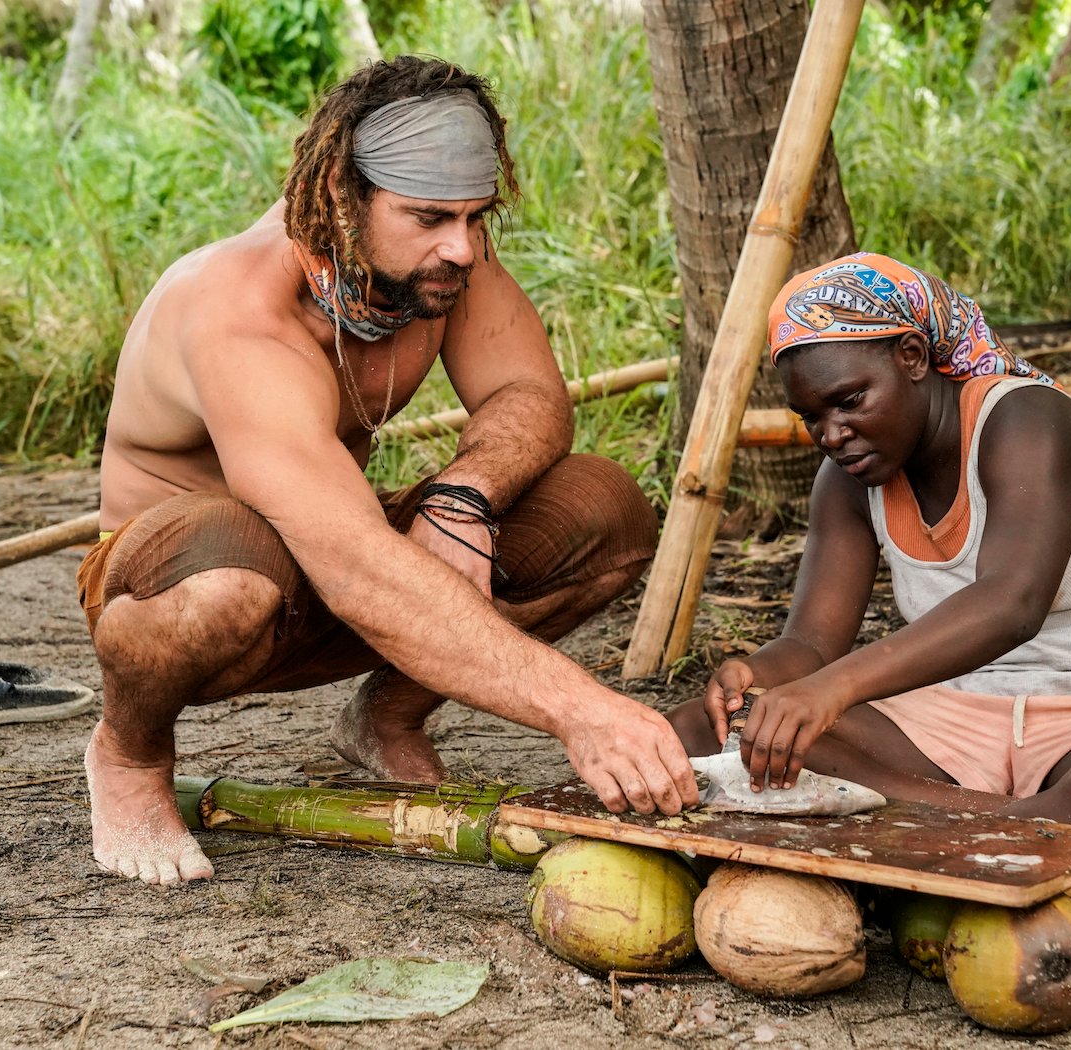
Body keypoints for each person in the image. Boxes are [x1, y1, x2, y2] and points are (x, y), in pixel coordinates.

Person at [77, 56, 697, 887]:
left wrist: (461, 496)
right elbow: (359, 564)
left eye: (478, 218)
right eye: (431, 216)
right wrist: (582, 710)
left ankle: (385, 714)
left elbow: (531, 394)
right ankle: (128, 753)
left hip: (335, 557)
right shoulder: (238, 311)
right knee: (227, 572)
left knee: (605, 509)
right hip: (191, 594)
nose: (464, 246)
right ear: (342, 191)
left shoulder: (435, 268)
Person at [669, 253, 1071, 867]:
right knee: (698, 731)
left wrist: (827, 691)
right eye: (813, 417)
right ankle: (1025, 828)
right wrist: (757, 677)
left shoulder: (1023, 418)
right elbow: (809, 641)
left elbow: (1012, 604)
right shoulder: (848, 480)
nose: (833, 434)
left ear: (912, 357)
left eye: (850, 400)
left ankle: (937, 821)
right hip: (946, 733)